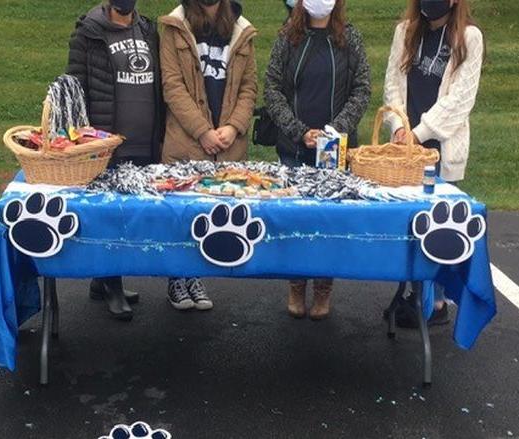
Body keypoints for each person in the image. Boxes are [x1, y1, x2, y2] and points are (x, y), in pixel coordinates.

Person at [264, 0, 371, 320]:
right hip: (293, 148)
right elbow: (271, 88)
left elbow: (362, 89)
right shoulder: (288, 37)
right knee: (297, 220)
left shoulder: (350, 38)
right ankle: (296, 284)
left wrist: (335, 130)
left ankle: (324, 286)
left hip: (334, 152)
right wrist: (297, 130)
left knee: (327, 221)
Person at [383, 0, 484, 328]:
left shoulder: (469, 38)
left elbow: (460, 101)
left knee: (436, 226)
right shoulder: (405, 32)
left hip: (440, 148)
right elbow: (392, 85)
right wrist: (398, 126)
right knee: (407, 224)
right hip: (405, 150)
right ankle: (410, 292)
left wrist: (419, 132)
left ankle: (435, 300)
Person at [67, 0, 165, 321]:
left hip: (144, 141)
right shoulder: (89, 33)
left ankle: (103, 279)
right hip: (106, 144)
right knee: (111, 214)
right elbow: (75, 86)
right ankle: (112, 283)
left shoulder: (148, 30)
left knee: (130, 216)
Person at [159, 0, 258, 311]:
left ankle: (195, 276)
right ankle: (177, 278)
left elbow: (249, 88)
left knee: (208, 215)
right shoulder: (174, 27)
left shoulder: (242, 31)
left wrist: (234, 126)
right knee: (180, 214)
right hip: (186, 142)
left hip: (227, 144)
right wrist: (202, 131)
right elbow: (172, 87)